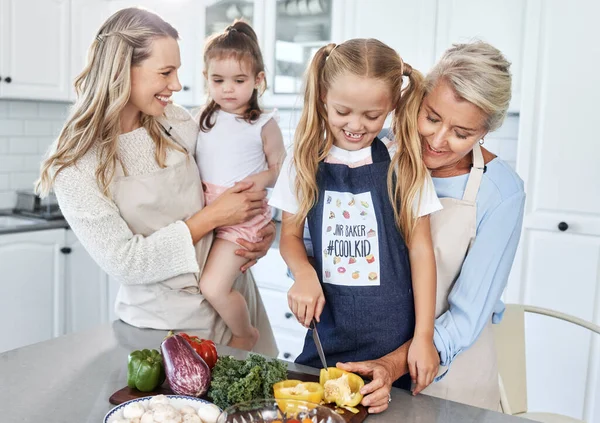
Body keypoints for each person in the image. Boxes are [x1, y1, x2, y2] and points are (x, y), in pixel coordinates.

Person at [34, 7, 278, 356]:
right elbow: (127, 262)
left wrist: (260, 230)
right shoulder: (76, 164)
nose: (177, 85)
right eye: (165, 72)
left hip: (237, 305)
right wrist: (213, 218)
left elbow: (228, 180)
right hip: (165, 330)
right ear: (121, 71)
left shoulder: (174, 121)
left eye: (177, 71)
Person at [338, 41, 525, 413]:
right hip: (361, 362)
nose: (438, 141)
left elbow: (466, 317)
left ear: (484, 131)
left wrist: (392, 365)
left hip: (447, 380)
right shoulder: (379, 154)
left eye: (462, 133)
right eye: (432, 118)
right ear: (419, 98)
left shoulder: (500, 192)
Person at [269, 39, 442, 393]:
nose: (355, 125)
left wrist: (424, 337)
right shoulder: (302, 160)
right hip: (327, 337)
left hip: (392, 344)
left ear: (392, 106)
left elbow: (421, 250)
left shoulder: (404, 163)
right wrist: (303, 274)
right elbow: (289, 236)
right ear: (323, 99)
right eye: (342, 111)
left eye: (372, 115)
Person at [195, 20, 285, 351]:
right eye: (218, 80)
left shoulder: (263, 123)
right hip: (210, 214)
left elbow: (281, 169)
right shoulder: (202, 118)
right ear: (206, 78)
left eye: (239, 80)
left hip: (244, 218)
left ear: (258, 80)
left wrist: (259, 180)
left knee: (213, 287)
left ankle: (245, 332)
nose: (228, 89)